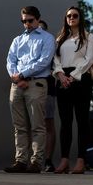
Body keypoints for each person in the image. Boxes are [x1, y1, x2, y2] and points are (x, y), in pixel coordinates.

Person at [4, 6, 55, 173]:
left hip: (36, 84)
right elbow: (10, 60)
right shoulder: (17, 40)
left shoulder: (47, 38)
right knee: (19, 126)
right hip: (17, 85)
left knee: (37, 125)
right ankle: (20, 161)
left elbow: (44, 61)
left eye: (30, 20)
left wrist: (23, 75)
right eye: (24, 21)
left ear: (38, 19)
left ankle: (36, 162)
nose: (26, 23)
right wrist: (16, 77)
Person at [53, 6, 93, 174]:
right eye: (69, 15)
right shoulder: (60, 39)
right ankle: (64, 160)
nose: (71, 18)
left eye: (75, 15)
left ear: (80, 18)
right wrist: (61, 75)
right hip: (62, 80)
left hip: (81, 80)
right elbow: (55, 58)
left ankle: (80, 161)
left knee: (82, 121)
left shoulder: (88, 37)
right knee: (65, 122)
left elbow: (89, 59)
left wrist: (74, 76)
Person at [38, 20, 57, 173]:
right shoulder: (25, 43)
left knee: (48, 124)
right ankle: (32, 159)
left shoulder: (51, 43)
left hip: (48, 88)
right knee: (31, 124)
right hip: (29, 86)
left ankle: (48, 160)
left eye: (41, 29)